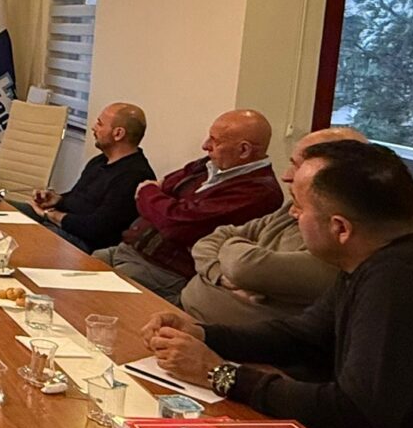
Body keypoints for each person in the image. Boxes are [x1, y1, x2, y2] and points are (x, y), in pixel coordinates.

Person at [145, 141, 413, 428]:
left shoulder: (400, 279)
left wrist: (219, 374)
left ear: (340, 228)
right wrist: (204, 335)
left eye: (299, 207)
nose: (292, 214)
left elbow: (356, 414)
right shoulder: (374, 257)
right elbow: (303, 336)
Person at [178, 127, 365, 327]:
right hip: (186, 310)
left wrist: (232, 245)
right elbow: (211, 239)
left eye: (298, 166)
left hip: (223, 336)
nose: (286, 176)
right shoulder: (292, 209)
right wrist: (220, 275)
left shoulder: (338, 240)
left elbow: (244, 266)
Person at [94, 109, 283, 302]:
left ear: (244, 150)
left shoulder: (259, 192)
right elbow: (164, 188)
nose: (205, 145)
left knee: (94, 298)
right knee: (81, 267)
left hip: (163, 271)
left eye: (215, 141)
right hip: (129, 249)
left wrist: (151, 195)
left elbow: (175, 224)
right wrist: (163, 204)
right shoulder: (209, 164)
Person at [28, 102, 154, 252]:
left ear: (118, 133)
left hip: (84, 243)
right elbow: (80, 199)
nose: (94, 128)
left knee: (24, 234)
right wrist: (57, 200)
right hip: (63, 226)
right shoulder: (100, 161)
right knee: (9, 211)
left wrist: (50, 215)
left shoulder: (134, 176)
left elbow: (97, 228)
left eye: (100, 124)